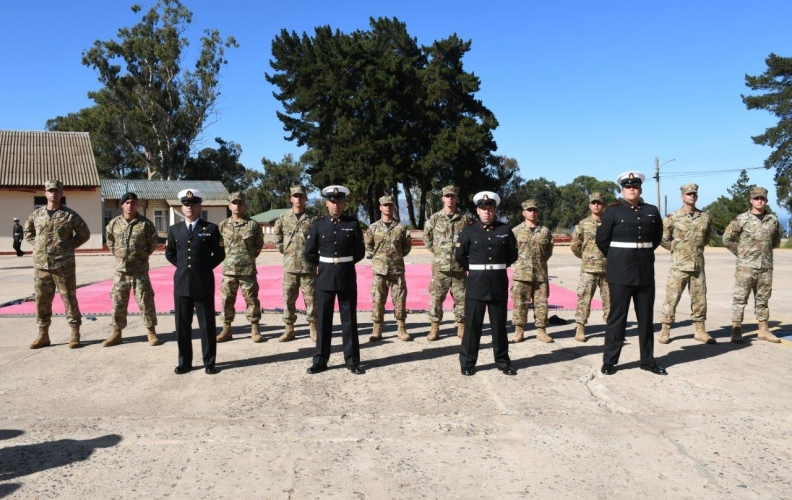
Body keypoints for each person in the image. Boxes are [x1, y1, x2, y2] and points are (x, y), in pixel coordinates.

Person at [595, 171, 666, 376]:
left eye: (635, 186)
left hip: (644, 271)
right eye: (627, 186)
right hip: (620, 273)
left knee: (646, 318)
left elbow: (656, 238)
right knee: (617, 318)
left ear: (640, 189)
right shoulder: (613, 212)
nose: (631, 189)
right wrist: (618, 257)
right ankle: (610, 361)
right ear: (622, 190)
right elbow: (602, 240)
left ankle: (647, 360)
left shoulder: (651, 211)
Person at [455, 191, 518, 376]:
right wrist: (476, 269)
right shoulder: (468, 230)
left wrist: (496, 267)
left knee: (499, 326)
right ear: (477, 210)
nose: (486, 212)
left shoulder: (505, 230)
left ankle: (503, 361)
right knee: (473, 326)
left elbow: (512, 255)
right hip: (477, 283)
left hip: (498, 282)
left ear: (495, 209)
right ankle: (467, 362)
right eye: (483, 209)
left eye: (490, 208)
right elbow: (460, 256)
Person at [304, 185, 366, 375]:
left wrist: (343, 263)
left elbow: (360, 252)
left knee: (349, 321)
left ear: (344, 203)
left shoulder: (353, 223)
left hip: (346, 277)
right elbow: (309, 252)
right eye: (332, 201)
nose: (335, 205)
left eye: (339, 201)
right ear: (326, 203)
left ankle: (352, 360)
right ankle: (320, 360)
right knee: (323, 321)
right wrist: (326, 265)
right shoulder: (318, 224)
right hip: (325, 278)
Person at [24, 180, 91, 349]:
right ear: (45, 193)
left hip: (64, 265)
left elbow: (84, 233)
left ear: (61, 193)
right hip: (41, 266)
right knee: (41, 300)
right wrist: (39, 246)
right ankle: (43, 335)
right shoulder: (36, 214)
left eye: (56, 191)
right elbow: (28, 233)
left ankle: (75, 333)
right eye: (50, 191)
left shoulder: (70, 215)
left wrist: (68, 246)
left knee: (69, 298)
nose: (53, 193)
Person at [165, 189, 225, 374]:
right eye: (185, 204)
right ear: (182, 207)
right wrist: (183, 267)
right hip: (182, 284)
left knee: (206, 325)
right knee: (182, 325)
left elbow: (220, 254)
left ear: (200, 207)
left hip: (203, 283)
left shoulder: (211, 228)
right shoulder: (175, 230)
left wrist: (204, 268)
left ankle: (210, 362)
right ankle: (184, 362)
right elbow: (170, 254)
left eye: (193, 204)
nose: (189, 207)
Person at [722, 186, 782, 344]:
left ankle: (763, 330)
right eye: (756, 198)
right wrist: (742, 253)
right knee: (740, 299)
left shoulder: (772, 220)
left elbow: (775, 241)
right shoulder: (741, 219)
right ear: (751, 201)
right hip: (746, 267)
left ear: (766, 201)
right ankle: (736, 329)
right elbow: (727, 239)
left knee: (763, 299)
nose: (759, 200)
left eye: (762, 198)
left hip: (765, 267)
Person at [103, 192, 162, 347]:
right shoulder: (114, 223)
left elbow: (152, 243)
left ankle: (151, 331)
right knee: (118, 303)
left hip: (139, 272)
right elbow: (110, 241)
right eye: (127, 202)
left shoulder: (145, 224)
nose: (130, 205)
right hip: (120, 272)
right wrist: (119, 255)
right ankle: (117, 333)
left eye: (133, 202)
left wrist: (140, 257)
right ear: (122, 204)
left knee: (146, 301)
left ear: (137, 204)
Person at [659, 183, 714, 344]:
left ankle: (700, 330)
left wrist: (693, 250)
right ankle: (665, 329)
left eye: (694, 194)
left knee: (700, 299)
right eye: (689, 194)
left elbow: (706, 238)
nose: (692, 196)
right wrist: (678, 250)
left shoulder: (705, 217)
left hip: (697, 265)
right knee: (672, 298)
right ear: (682, 196)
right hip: (679, 266)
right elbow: (663, 239)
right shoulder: (672, 218)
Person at [423, 186, 473, 341]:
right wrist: (440, 253)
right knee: (436, 298)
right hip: (440, 268)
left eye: (453, 196)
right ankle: (434, 327)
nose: (450, 198)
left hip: (459, 267)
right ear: (443, 199)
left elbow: (471, 240)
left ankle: (461, 325)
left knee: (462, 298)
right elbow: (427, 239)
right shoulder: (434, 219)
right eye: (447, 196)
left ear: (457, 199)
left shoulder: (465, 219)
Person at [216, 192, 265, 343]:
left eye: (240, 203)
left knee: (251, 299)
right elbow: (219, 246)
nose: (237, 205)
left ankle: (255, 328)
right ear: (229, 205)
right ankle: (226, 329)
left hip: (247, 270)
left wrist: (247, 258)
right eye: (234, 203)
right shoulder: (223, 225)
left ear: (244, 205)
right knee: (226, 301)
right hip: (229, 271)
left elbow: (258, 246)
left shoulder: (253, 225)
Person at [365, 195, 413, 342]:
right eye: (385, 205)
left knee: (400, 299)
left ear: (393, 207)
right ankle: (377, 328)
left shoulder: (401, 227)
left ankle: (401, 327)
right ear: (380, 207)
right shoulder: (373, 227)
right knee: (378, 299)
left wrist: (396, 257)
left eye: (390, 205)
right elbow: (368, 246)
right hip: (380, 271)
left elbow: (406, 247)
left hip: (397, 269)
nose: (388, 208)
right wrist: (379, 258)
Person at [273, 186, 317, 342]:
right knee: (288, 298)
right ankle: (289, 329)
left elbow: (318, 238)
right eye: (295, 196)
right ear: (291, 198)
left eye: (301, 196)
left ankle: (313, 327)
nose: (298, 198)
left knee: (311, 299)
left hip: (308, 266)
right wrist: (283, 249)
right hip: (290, 267)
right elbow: (276, 234)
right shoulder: (284, 218)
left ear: (305, 198)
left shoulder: (313, 218)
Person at [509, 199, 554, 343]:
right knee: (520, 304)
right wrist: (519, 265)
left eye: (534, 210)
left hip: (540, 274)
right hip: (521, 275)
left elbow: (548, 252)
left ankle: (541, 331)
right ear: (523, 213)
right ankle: (519, 330)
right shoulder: (515, 231)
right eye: (529, 210)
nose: (532, 212)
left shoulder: (545, 231)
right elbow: (510, 252)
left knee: (541, 304)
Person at [571, 192, 610, 342]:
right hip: (588, 269)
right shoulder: (582, 224)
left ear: (603, 205)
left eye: (599, 203)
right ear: (589, 205)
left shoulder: (610, 223)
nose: (596, 205)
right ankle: (580, 328)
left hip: (608, 268)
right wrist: (586, 257)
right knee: (584, 299)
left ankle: (610, 328)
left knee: (610, 300)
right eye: (593, 203)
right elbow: (575, 245)